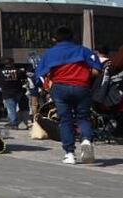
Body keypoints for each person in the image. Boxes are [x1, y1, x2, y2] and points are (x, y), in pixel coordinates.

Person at [35, 26, 102, 164]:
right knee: (83, 117)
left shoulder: (50, 53)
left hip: (60, 88)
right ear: (73, 37)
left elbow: (40, 74)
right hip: (82, 87)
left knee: (65, 120)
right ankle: (86, 140)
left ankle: (69, 153)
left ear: (55, 39)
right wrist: (85, 74)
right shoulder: (83, 51)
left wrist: (46, 87)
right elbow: (97, 70)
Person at [0, 58, 24, 128]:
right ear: (12, 63)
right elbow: (23, 78)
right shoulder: (18, 71)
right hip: (17, 91)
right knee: (14, 107)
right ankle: (14, 121)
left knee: (11, 108)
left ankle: (13, 122)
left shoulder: (0, 71)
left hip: (7, 92)